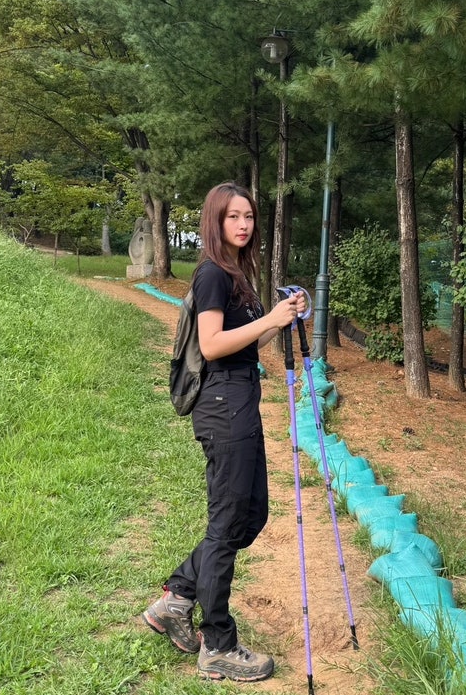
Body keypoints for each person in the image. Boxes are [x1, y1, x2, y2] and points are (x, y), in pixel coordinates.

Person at [142, 181, 306, 682]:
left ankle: (177, 597)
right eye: (233, 216)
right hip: (223, 404)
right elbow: (212, 345)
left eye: (249, 217)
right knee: (228, 520)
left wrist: (283, 317)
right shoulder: (213, 273)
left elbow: (247, 342)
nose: (243, 224)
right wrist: (269, 317)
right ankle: (217, 644)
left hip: (240, 399)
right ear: (215, 221)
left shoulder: (237, 273)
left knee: (250, 515)